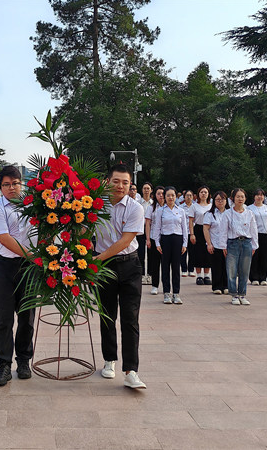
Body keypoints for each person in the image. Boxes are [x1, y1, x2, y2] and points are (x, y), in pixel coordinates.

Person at [95, 164, 146, 389]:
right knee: (107, 315)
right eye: (116, 181)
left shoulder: (135, 208)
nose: (121, 186)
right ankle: (109, 360)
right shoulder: (94, 205)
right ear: (108, 182)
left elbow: (126, 240)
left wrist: (99, 258)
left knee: (130, 318)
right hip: (103, 269)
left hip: (129, 265)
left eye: (125, 182)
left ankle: (131, 370)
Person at [0, 166, 35, 387]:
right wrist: (33, 256)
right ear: (0, 187)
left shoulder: (34, 205)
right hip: (4, 267)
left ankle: (24, 360)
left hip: (28, 268)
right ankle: (4, 364)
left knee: (27, 317)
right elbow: (5, 238)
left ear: (22, 183)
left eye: (15, 183)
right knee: (4, 318)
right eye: (6, 184)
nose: (11, 188)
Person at [221, 188, 258, 306]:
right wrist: (223, 246)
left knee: (244, 270)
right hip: (232, 243)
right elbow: (223, 231)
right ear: (232, 199)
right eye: (238, 197)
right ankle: (233, 294)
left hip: (246, 243)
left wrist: (254, 245)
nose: (240, 199)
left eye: (242, 196)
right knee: (231, 270)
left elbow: (254, 230)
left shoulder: (250, 213)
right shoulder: (227, 213)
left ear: (245, 198)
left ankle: (242, 294)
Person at [152, 186, 189, 305]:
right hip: (165, 239)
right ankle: (167, 293)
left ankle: (176, 293)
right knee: (165, 267)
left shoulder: (181, 211)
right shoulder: (160, 211)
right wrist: (157, 243)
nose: (170, 197)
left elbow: (184, 228)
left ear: (176, 196)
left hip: (177, 239)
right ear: (165, 197)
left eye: (172, 195)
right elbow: (157, 228)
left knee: (176, 267)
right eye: (168, 195)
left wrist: (185, 244)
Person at [203, 191, 229, 295]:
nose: (220, 201)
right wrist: (209, 243)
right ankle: (217, 286)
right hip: (215, 243)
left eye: (222, 199)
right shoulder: (210, 214)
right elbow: (206, 229)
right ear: (214, 201)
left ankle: (226, 286)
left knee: (227, 266)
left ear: (226, 201)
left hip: (228, 244)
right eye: (218, 199)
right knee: (216, 266)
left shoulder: (230, 212)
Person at [190, 186, 212, 284]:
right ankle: (199, 276)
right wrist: (192, 234)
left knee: (208, 252)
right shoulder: (194, 206)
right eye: (201, 192)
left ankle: (207, 275)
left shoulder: (211, 206)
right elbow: (191, 221)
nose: (203, 194)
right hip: (198, 229)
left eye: (205, 192)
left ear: (208, 194)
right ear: (198, 194)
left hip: (209, 230)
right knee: (198, 252)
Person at [248, 188, 267, 286]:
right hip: (253, 234)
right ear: (254, 196)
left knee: (264, 256)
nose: (259, 197)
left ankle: (263, 277)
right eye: (257, 195)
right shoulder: (249, 208)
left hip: (265, 235)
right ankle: (254, 277)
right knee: (254, 256)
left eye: (261, 195)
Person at [145, 186, 165, 295]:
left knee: (166, 264)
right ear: (155, 195)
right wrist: (148, 239)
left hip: (166, 238)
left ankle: (166, 286)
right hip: (153, 238)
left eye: (162, 193)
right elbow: (147, 224)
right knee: (155, 263)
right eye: (158, 193)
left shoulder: (169, 208)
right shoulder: (151, 208)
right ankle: (154, 285)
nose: (161, 196)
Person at [136, 183, 153, 285]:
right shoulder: (138, 203)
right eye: (144, 188)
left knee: (151, 254)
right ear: (142, 190)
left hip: (151, 230)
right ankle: (142, 275)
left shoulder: (153, 204)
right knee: (140, 254)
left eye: (148, 189)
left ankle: (150, 275)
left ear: (151, 190)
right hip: (140, 231)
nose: (146, 190)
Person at [179, 190, 195, 278]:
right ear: (184, 197)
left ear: (193, 197)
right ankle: (184, 270)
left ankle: (191, 269)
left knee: (192, 252)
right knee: (183, 251)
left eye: (190, 195)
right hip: (183, 232)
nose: (189, 197)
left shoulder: (195, 207)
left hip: (192, 232)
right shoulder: (180, 208)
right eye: (187, 195)